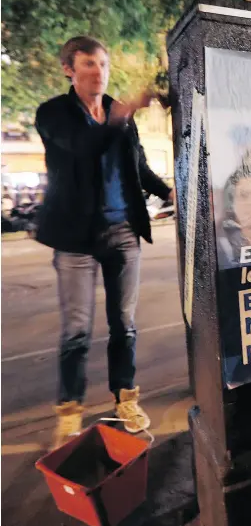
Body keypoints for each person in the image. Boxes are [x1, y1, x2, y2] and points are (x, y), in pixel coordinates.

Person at [35, 36, 174, 449]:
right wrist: (121, 114)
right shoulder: (54, 114)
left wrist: (170, 193)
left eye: (103, 64)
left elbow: (139, 168)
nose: (99, 71)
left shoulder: (120, 116)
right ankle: (69, 412)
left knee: (124, 326)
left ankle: (126, 398)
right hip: (75, 239)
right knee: (76, 331)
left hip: (123, 233)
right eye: (89, 64)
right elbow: (82, 149)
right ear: (69, 70)